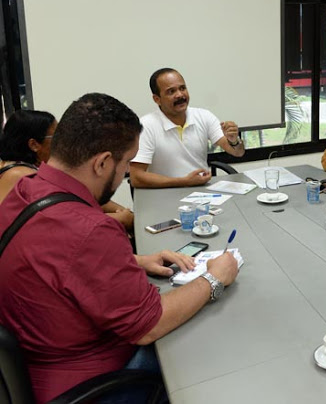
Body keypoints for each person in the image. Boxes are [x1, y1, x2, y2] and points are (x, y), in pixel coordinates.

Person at [0, 93, 239, 403]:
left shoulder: (23, 191)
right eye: (126, 163)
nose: (127, 172)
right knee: (201, 344)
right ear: (102, 162)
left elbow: (51, 260)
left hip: (36, 367)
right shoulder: (90, 228)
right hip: (94, 383)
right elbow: (148, 326)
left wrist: (134, 260)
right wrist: (214, 279)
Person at [0, 110, 134, 232]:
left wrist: (123, 213)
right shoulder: (21, 176)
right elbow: (65, 223)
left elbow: (80, 194)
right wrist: (119, 219)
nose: (62, 143)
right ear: (34, 145)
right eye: (56, 138)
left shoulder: (38, 168)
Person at [130, 68, 245, 188]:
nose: (180, 95)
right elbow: (136, 178)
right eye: (171, 91)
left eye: (182, 88)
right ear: (157, 99)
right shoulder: (146, 126)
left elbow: (238, 153)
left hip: (202, 193)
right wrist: (184, 181)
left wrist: (234, 141)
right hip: (164, 194)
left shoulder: (204, 116)